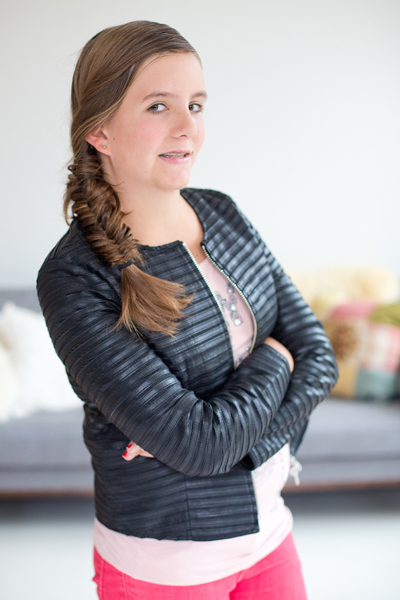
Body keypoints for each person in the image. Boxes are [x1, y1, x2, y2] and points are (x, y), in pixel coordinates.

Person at [37, 20, 338, 600]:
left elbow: (320, 357)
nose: (187, 128)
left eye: (196, 105)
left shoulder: (221, 210)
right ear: (99, 130)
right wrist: (277, 358)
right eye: (158, 106)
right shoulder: (74, 277)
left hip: (270, 530)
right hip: (164, 561)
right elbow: (200, 443)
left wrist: (237, 446)